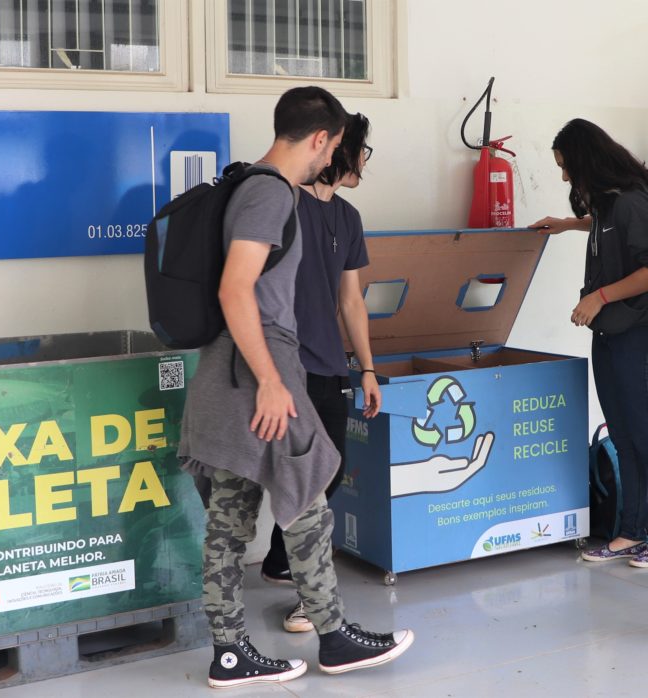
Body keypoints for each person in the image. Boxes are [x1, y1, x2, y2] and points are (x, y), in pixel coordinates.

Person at [180, 86, 413, 689]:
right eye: (332, 145)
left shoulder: (252, 186)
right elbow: (237, 290)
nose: (329, 157)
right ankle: (332, 637)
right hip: (255, 373)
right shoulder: (268, 192)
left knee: (232, 523)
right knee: (307, 500)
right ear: (320, 139)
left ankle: (232, 652)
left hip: (232, 373)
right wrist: (270, 381)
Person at [530, 119, 648, 568]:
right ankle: (631, 532)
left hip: (641, 333)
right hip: (611, 334)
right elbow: (604, 225)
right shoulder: (608, 204)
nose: (564, 177)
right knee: (622, 433)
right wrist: (566, 224)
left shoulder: (635, 203)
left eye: (566, 168)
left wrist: (598, 297)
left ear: (587, 162)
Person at [261, 113, 385, 635]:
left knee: (329, 472)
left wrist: (368, 369)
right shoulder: (283, 204)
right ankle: (305, 595)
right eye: (361, 150)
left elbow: (351, 300)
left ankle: (277, 558)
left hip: (332, 364)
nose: (363, 161)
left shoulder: (349, 218)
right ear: (338, 150)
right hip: (287, 366)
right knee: (304, 482)